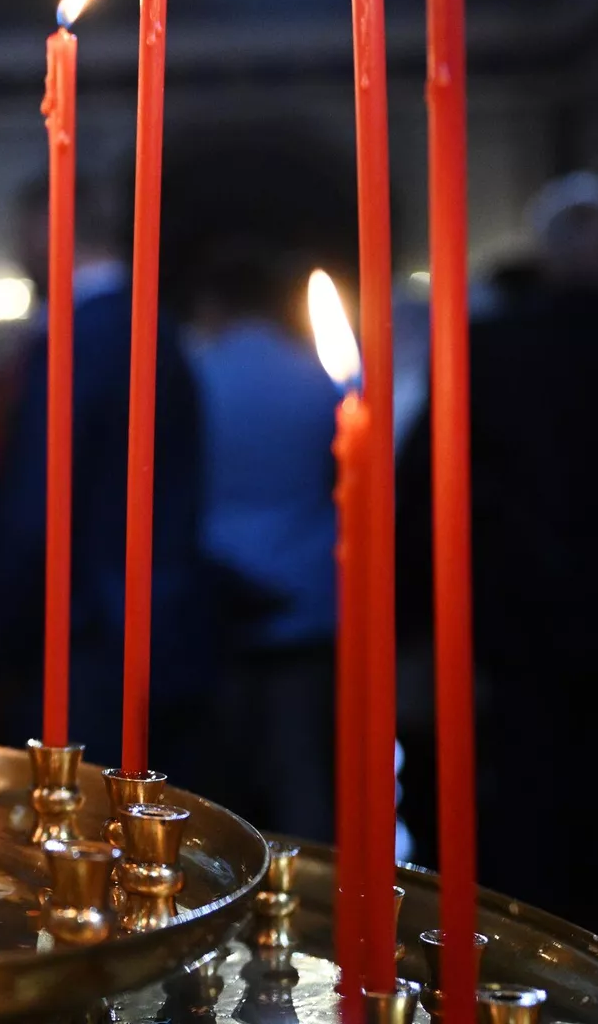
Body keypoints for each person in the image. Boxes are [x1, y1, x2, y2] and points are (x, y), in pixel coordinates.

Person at [398, 169, 598, 950]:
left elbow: (430, 488)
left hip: (522, 626)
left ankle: (542, 962)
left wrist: (421, 615)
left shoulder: (493, 349)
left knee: (534, 815)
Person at [0, 157, 213, 777]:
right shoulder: (151, 325)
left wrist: (2, 627)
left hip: (82, 630)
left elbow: (39, 502)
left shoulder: (79, 339)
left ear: (44, 229)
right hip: (154, 621)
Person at [186, 242, 338, 837]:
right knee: (302, 765)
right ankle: (316, 902)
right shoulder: (314, 376)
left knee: (223, 773)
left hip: (221, 587)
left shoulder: (198, 371)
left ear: (214, 303)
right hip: (310, 587)